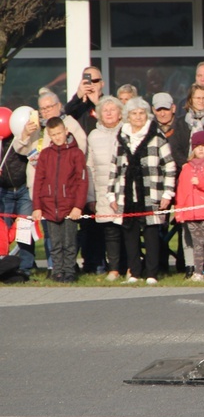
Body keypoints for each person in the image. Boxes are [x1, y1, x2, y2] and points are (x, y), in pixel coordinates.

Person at [107, 97, 176, 285]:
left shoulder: (157, 137)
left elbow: (169, 166)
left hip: (151, 192)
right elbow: (115, 166)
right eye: (134, 113)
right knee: (130, 234)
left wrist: (167, 194)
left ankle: (152, 273)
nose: (138, 117)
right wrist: (111, 194)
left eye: (141, 113)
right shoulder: (121, 137)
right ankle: (135, 272)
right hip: (127, 193)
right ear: (128, 116)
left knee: (152, 233)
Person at [32, 117, 88, 283]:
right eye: (53, 134)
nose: (57, 137)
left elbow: (82, 182)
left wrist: (78, 206)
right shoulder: (45, 155)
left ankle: (69, 270)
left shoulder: (76, 153)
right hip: (49, 206)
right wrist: (37, 206)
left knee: (69, 242)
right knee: (54, 243)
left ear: (66, 131)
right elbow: (38, 182)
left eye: (59, 133)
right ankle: (57, 271)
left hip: (69, 207)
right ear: (49, 135)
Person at [87, 96, 124, 281]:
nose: (109, 113)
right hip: (102, 191)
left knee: (127, 230)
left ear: (120, 113)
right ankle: (114, 269)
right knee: (110, 232)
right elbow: (90, 167)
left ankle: (131, 268)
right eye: (105, 110)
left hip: (124, 191)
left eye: (113, 109)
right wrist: (90, 197)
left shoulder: (127, 132)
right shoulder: (93, 136)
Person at [175, 131, 204, 281]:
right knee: (196, 244)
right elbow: (181, 191)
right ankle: (198, 271)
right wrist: (180, 211)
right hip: (190, 213)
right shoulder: (186, 168)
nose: (200, 149)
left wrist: (201, 183)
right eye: (197, 146)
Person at [0, 134, 34, 277]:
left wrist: (18, 223)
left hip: (22, 186)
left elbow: (10, 235)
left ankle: (26, 266)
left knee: (24, 230)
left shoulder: (19, 136)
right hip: (4, 189)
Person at [64, 66, 106, 135]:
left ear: (102, 84)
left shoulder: (110, 102)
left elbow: (110, 119)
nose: (91, 84)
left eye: (95, 81)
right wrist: (78, 95)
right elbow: (68, 111)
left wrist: (97, 103)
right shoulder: (80, 105)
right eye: (88, 81)